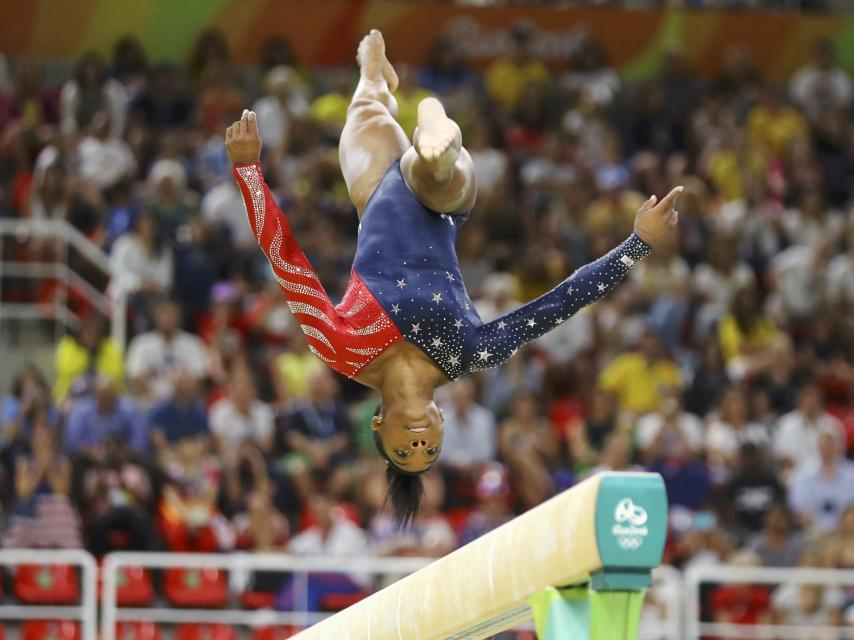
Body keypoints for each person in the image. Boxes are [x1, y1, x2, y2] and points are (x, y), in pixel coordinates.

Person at [226, 30, 682, 525]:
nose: (420, 443)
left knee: (366, 106)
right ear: (443, 421)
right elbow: (554, 307)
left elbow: (288, 263)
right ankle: (434, 130)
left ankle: (375, 72)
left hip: (375, 193)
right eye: (430, 450)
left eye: (405, 452)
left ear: (378, 428)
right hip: (443, 201)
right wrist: (636, 245)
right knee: (433, 173)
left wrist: (249, 171)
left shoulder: (342, 349)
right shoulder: (465, 353)